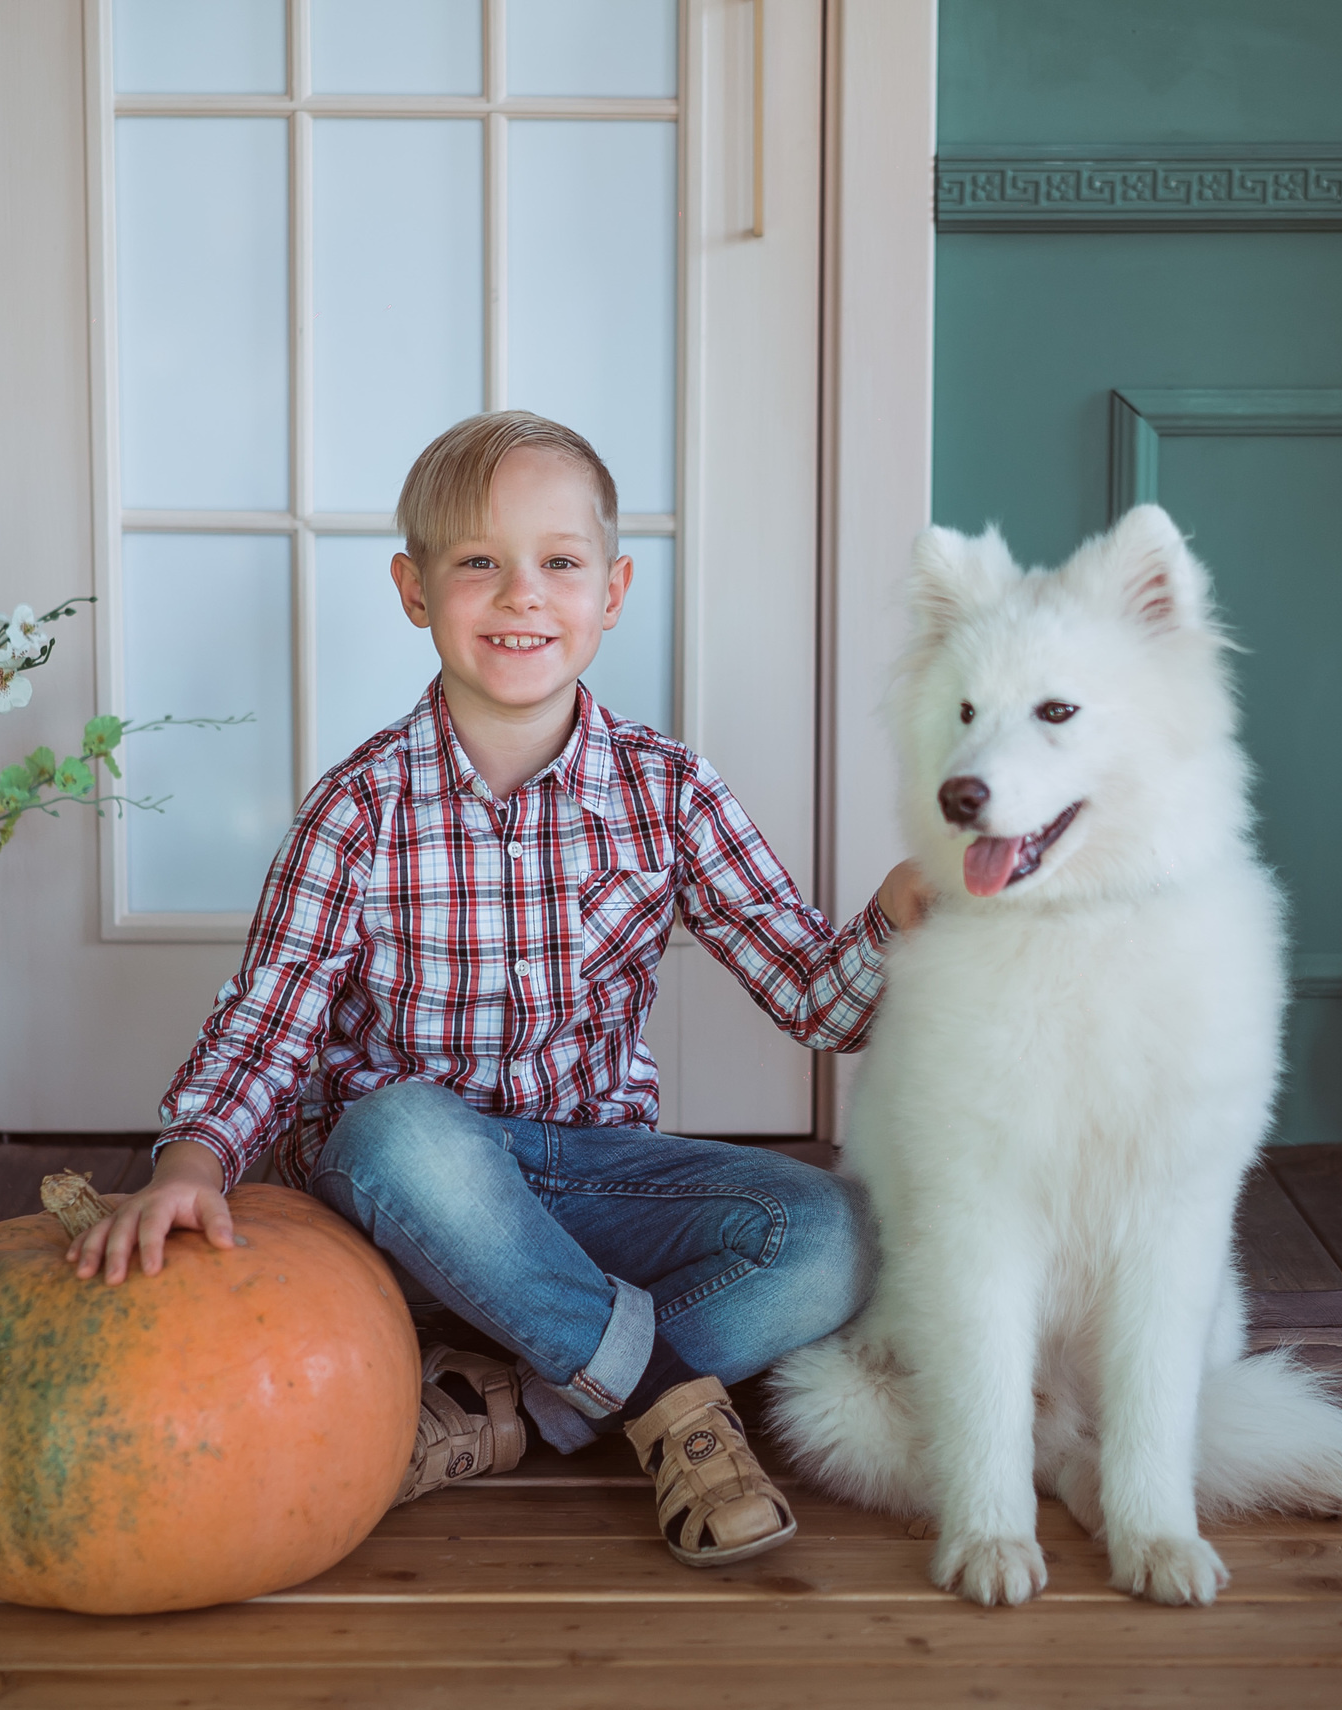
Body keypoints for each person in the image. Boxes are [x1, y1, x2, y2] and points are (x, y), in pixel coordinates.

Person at [65, 410, 931, 1568]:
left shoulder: (668, 792)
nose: (522, 596)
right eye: (478, 562)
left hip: (590, 1175)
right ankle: (671, 1409)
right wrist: (190, 1157)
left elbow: (821, 1006)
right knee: (397, 1126)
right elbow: (270, 1020)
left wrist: (895, 919)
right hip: (407, 1194)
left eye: (559, 563)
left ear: (613, 590)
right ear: (414, 590)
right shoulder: (361, 809)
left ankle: (517, 1405)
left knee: (832, 1235)